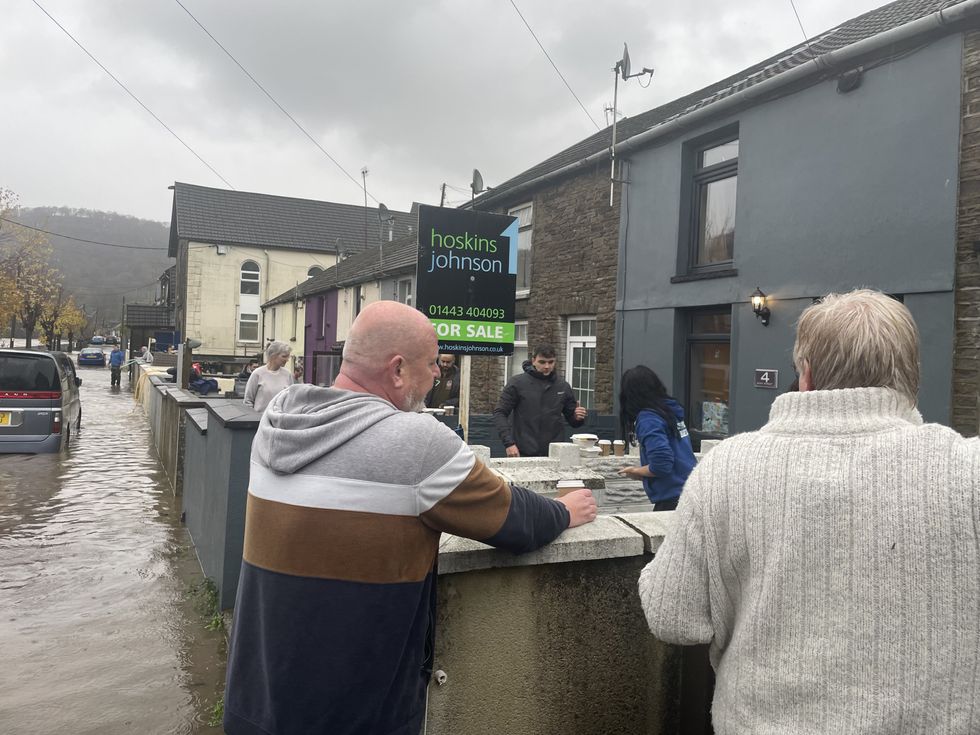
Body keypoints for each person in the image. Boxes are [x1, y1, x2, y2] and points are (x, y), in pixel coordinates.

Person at [223, 301, 597, 735]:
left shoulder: (280, 416)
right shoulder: (417, 442)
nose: (439, 374)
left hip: (254, 707)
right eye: (432, 363)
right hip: (353, 717)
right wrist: (565, 510)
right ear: (398, 370)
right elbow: (514, 517)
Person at [639, 289, 980, 733]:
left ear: (806, 375)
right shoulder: (968, 469)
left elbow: (673, 616)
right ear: (911, 379)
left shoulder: (726, 466)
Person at [616, 365, 696, 511]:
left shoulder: (649, 419)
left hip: (674, 500)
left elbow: (662, 464)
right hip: (693, 491)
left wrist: (635, 471)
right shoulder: (669, 412)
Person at [493, 344, 587, 457]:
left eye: (551, 362)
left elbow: (573, 421)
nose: (547, 366)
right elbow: (500, 413)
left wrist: (577, 417)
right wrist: (509, 443)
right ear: (533, 361)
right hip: (522, 452)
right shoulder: (517, 383)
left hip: (554, 453)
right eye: (542, 362)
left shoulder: (563, 386)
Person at [242, 341, 294, 413]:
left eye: (288, 356)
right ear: (273, 356)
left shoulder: (288, 374)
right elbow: (248, 401)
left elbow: (291, 399)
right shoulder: (257, 374)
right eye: (284, 356)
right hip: (259, 421)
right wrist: (253, 420)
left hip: (280, 421)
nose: (287, 359)